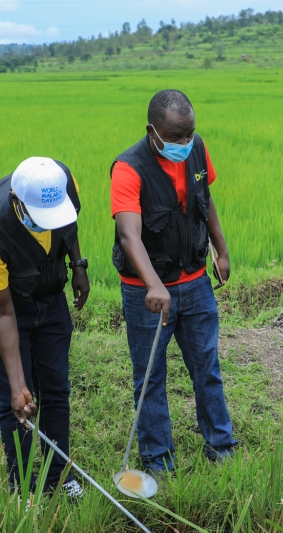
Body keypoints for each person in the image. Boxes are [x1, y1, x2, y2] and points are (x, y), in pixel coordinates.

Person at [111, 89, 239, 474]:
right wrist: (153, 284)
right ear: (153, 131)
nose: (185, 143)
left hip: (196, 281)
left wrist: (221, 249)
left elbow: (205, 198)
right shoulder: (128, 168)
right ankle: (158, 461)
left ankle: (221, 447)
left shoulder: (196, 148)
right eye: (176, 137)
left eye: (189, 134)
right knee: (150, 377)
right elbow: (128, 235)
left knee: (207, 367)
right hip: (146, 292)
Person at [0, 156, 90, 497]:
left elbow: (68, 226)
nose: (47, 224)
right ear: (17, 202)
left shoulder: (63, 183)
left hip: (48, 293)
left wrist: (78, 264)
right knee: (18, 404)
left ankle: (60, 478)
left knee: (56, 390)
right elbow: (3, 313)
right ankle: (22, 488)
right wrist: (17, 384)